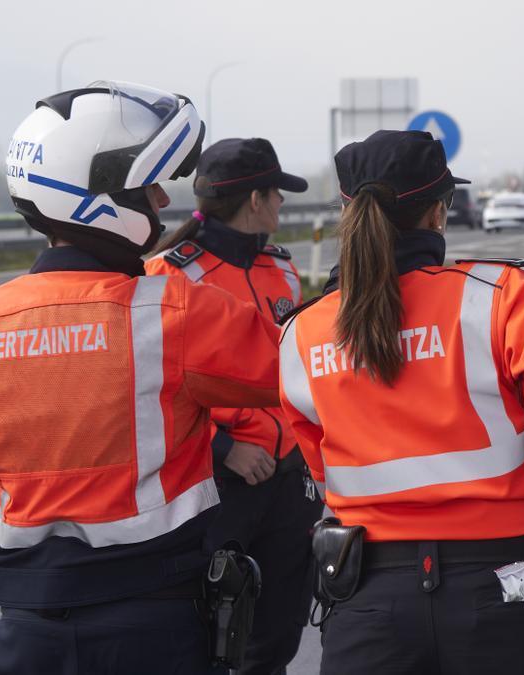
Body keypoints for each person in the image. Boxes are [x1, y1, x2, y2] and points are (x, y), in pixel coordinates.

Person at [0, 81, 283, 675]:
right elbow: (303, 373)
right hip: (154, 624)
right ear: (97, 197)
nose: (162, 201)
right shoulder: (174, 311)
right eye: (148, 187)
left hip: (28, 627)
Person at [277, 130, 524, 674]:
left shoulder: (302, 332)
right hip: (502, 589)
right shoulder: (497, 297)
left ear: (349, 214)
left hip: (368, 603)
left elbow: (321, 468)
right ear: (438, 213)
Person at [146, 137, 322, 673]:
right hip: (217, 483)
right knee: (210, 634)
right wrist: (224, 449)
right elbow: (149, 388)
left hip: (288, 480)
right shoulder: (170, 275)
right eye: (277, 192)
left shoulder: (281, 267)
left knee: (277, 635)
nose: (282, 203)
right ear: (255, 200)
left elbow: (291, 365)